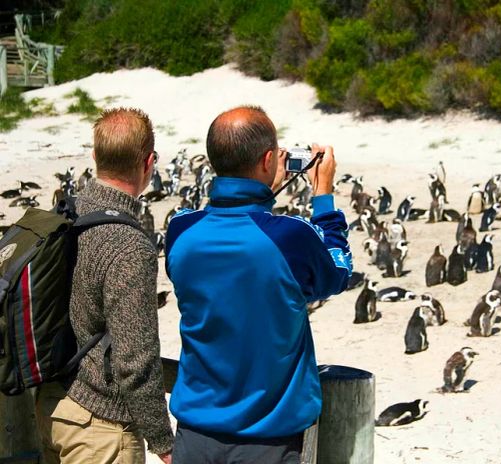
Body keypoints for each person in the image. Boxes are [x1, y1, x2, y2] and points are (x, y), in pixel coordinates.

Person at [166, 106, 352, 463]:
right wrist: (323, 195)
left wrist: (261, 190)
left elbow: (229, 231)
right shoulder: (290, 237)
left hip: (192, 438)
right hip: (268, 441)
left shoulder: (180, 230)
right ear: (269, 159)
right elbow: (338, 271)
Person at [35, 108, 173, 463]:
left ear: (94, 156)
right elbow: (135, 358)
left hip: (52, 408)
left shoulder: (64, 215)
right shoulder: (129, 245)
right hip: (99, 427)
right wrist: (163, 442)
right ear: (149, 162)